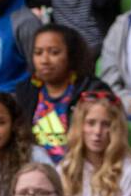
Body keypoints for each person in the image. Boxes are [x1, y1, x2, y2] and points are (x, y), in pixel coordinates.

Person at [15, 25, 110, 161]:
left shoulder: (93, 91)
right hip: (34, 173)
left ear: (71, 55)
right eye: (38, 53)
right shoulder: (26, 91)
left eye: (54, 53)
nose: (44, 61)